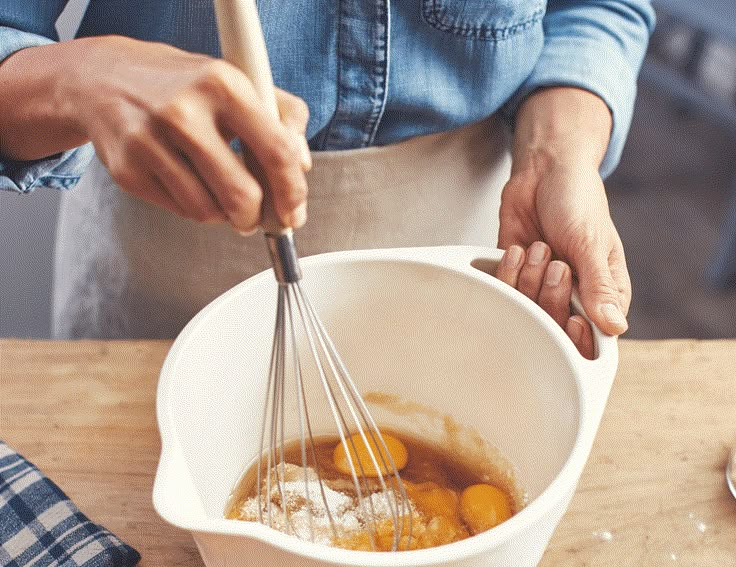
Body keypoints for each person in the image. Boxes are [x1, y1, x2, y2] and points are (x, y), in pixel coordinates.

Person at [0, 1, 655, 359]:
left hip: (469, 252)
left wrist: (552, 157)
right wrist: (82, 78)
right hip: (160, 278)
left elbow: (594, 7)